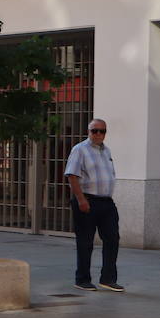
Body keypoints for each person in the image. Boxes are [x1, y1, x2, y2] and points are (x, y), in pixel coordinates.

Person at [65, 118, 123, 293]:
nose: (98, 134)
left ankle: (108, 279)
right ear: (88, 132)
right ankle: (82, 279)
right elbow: (72, 175)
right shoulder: (79, 150)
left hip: (106, 202)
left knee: (113, 239)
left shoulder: (107, 151)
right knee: (85, 242)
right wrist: (81, 199)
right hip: (87, 200)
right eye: (94, 131)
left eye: (102, 131)